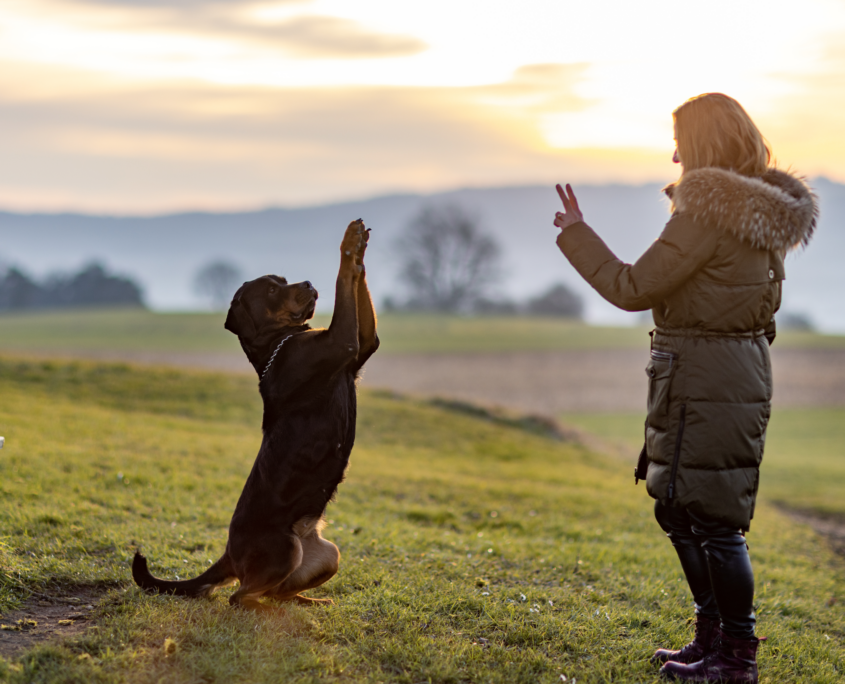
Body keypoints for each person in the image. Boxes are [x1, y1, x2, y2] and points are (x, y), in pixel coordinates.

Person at [553, 93, 817, 683]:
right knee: (677, 507)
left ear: (699, 145)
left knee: (715, 521)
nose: (673, 154)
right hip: (718, 370)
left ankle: (735, 658)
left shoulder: (707, 213)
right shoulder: (760, 212)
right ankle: (713, 637)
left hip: (706, 378)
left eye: (679, 141)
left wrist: (576, 233)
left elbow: (630, 287)